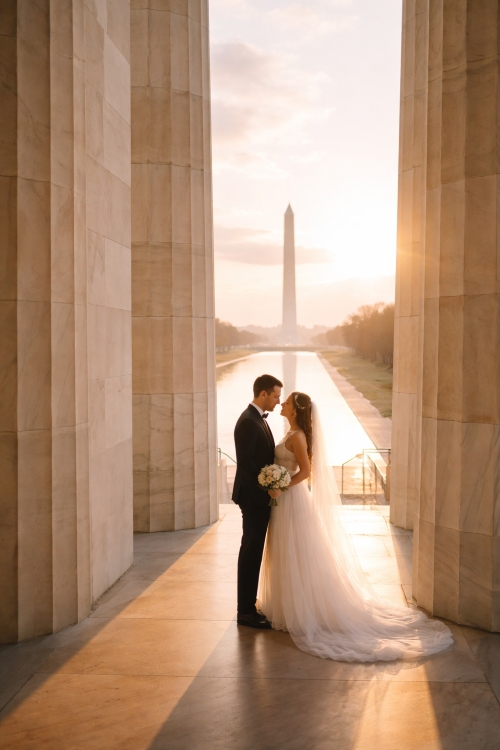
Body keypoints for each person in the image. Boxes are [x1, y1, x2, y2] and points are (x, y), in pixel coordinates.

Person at [257, 391, 454, 662]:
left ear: (296, 409)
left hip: (292, 500)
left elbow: (306, 471)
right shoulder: (291, 432)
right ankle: (283, 605)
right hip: (283, 500)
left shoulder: (299, 436)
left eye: (287, 402)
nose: (282, 404)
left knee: (297, 551)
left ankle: (302, 609)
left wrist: (281, 485)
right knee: (283, 550)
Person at [233, 374, 283, 629]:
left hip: (259, 496)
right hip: (253, 498)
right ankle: (245, 611)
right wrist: (268, 486)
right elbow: (247, 464)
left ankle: (248, 606)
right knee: (251, 553)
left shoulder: (257, 419)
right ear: (263, 394)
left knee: (254, 552)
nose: (277, 401)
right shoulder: (248, 422)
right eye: (275, 396)